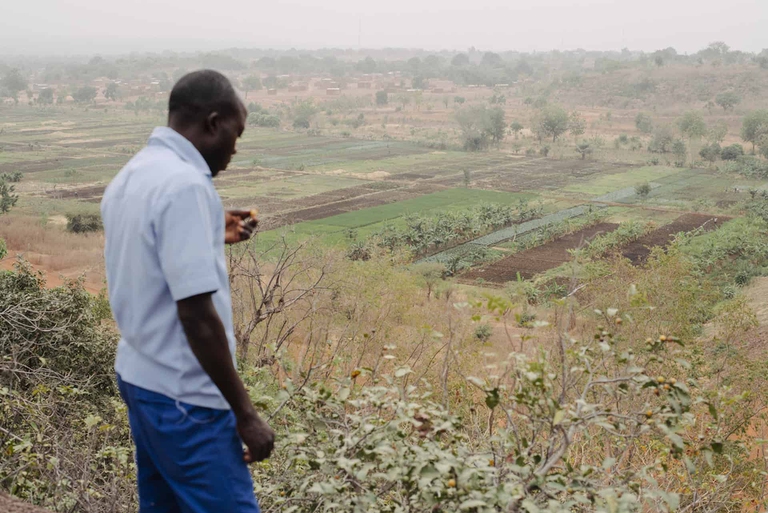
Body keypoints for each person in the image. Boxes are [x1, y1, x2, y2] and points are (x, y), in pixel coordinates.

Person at [101, 70, 274, 513]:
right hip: (186, 399)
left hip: (142, 378)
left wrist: (206, 233)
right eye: (236, 133)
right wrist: (245, 413)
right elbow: (196, 316)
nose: (235, 148)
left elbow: (148, 253)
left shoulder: (135, 172)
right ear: (214, 123)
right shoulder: (187, 186)